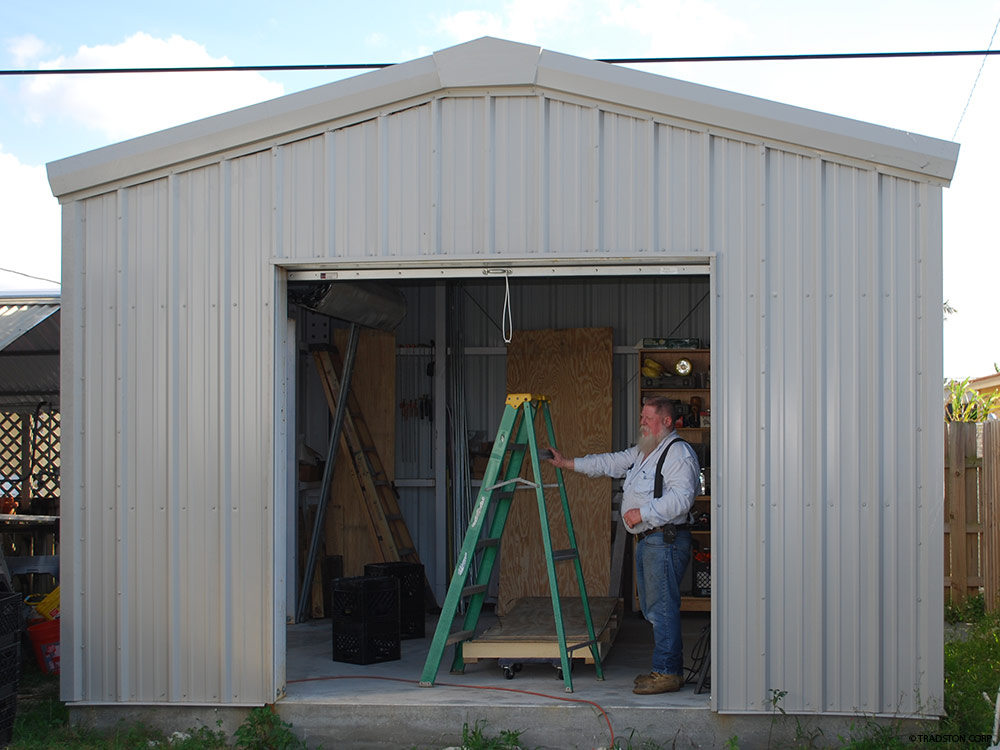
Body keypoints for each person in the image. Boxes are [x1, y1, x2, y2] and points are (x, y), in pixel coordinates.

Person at [546, 396, 700, 694]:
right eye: (641, 416)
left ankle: (668, 672)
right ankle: (665, 668)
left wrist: (642, 513)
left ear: (666, 421)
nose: (642, 422)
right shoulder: (645, 452)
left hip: (663, 540)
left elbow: (682, 500)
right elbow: (610, 462)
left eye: (648, 418)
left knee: (662, 609)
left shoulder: (678, 453)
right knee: (655, 608)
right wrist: (567, 463)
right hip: (650, 540)